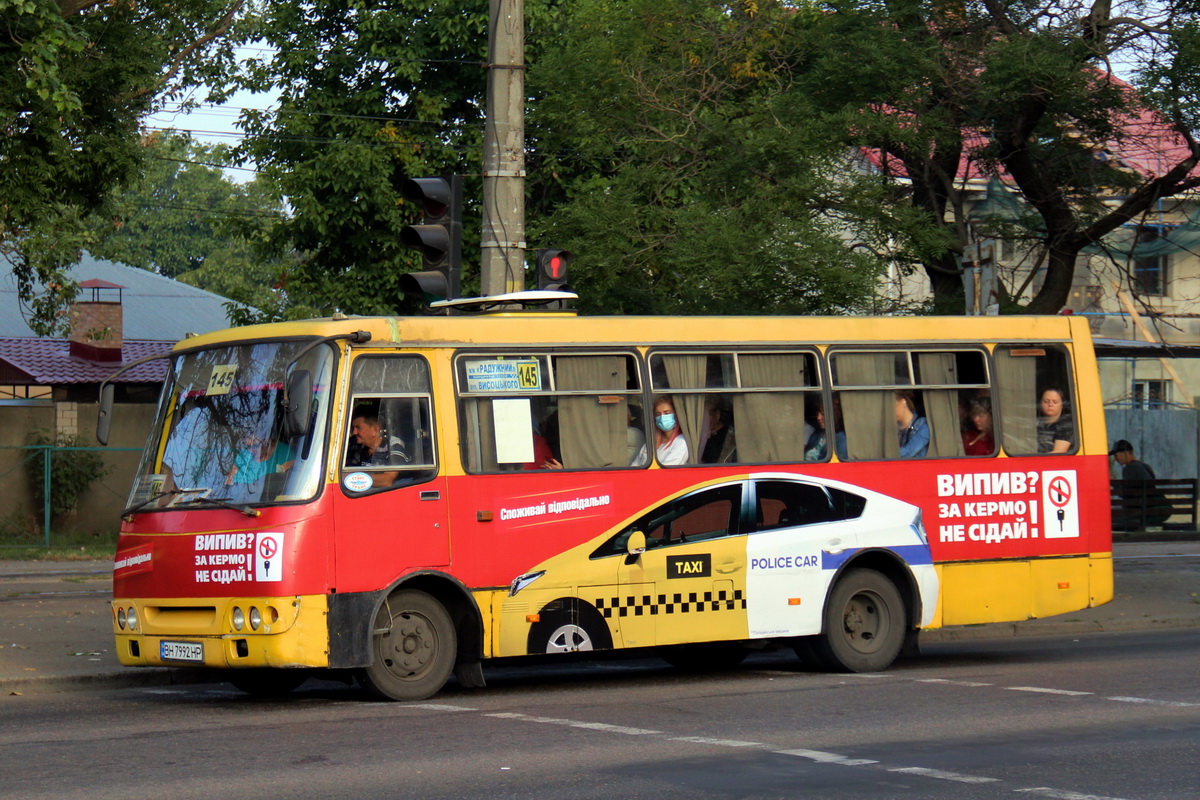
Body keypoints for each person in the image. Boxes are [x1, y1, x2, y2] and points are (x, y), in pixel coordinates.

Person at [1110, 439, 1169, 528]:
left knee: (1107, 517)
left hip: (1142, 513)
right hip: (1154, 509)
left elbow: (1126, 495)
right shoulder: (1145, 466)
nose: (1115, 459)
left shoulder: (1130, 468)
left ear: (1126, 453)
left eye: (1116, 455)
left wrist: (1112, 482)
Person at [345, 412, 410, 487]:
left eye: (358, 427)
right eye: (353, 428)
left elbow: (387, 481)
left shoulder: (394, 445)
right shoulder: (355, 445)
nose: (354, 432)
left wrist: (346, 477)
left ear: (375, 430)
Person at [636, 396, 689, 465]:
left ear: (676, 415)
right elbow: (636, 463)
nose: (662, 417)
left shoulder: (681, 442)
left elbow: (666, 470)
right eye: (658, 414)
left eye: (667, 413)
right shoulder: (652, 442)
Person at [1037, 386, 1074, 454]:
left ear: (1062, 404)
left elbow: (1058, 452)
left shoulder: (1066, 426)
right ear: (1040, 403)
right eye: (1046, 401)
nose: (1050, 405)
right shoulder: (1036, 423)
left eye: (1055, 402)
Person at [895, 390, 929, 458]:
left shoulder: (923, 426)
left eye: (894, 406)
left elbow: (908, 452)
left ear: (903, 402)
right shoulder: (891, 428)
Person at [701, 398, 736, 463]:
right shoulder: (700, 436)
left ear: (717, 415)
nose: (702, 420)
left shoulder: (730, 437)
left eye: (705, 416)